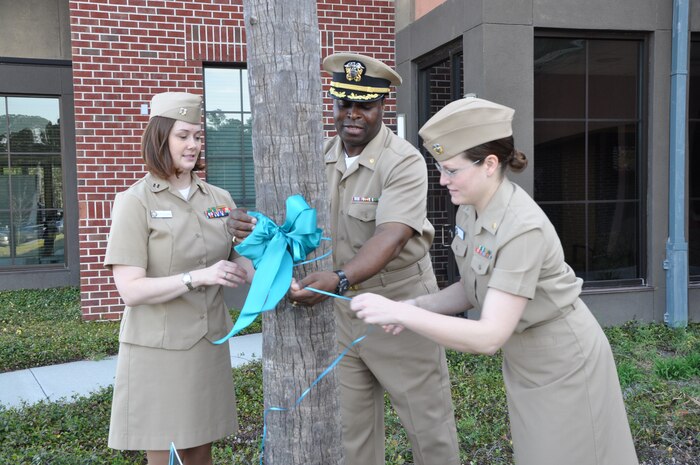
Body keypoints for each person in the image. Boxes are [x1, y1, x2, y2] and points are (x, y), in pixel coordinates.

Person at [350, 96, 640, 465]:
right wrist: (413, 305)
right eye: (440, 168)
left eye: (452, 170)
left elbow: (488, 337)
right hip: (527, 361)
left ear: (489, 164)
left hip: (564, 363)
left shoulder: (522, 228)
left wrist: (404, 316)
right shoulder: (472, 209)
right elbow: (473, 287)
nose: (442, 180)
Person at [227, 53, 460, 465]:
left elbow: (391, 234)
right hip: (341, 310)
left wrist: (338, 277)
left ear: (381, 106)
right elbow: (293, 225)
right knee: (352, 434)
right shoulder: (319, 156)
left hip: (400, 308)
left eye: (364, 105)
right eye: (343, 103)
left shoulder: (402, 161)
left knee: (428, 428)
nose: (352, 115)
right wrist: (254, 229)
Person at [104, 92, 253, 465]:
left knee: (200, 450)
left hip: (207, 342)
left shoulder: (218, 198)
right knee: (169, 453)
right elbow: (130, 290)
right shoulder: (135, 201)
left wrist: (266, 250)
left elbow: (243, 264)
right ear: (160, 138)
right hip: (160, 347)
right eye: (182, 136)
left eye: (198, 136)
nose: (192, 145)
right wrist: (198, 276)